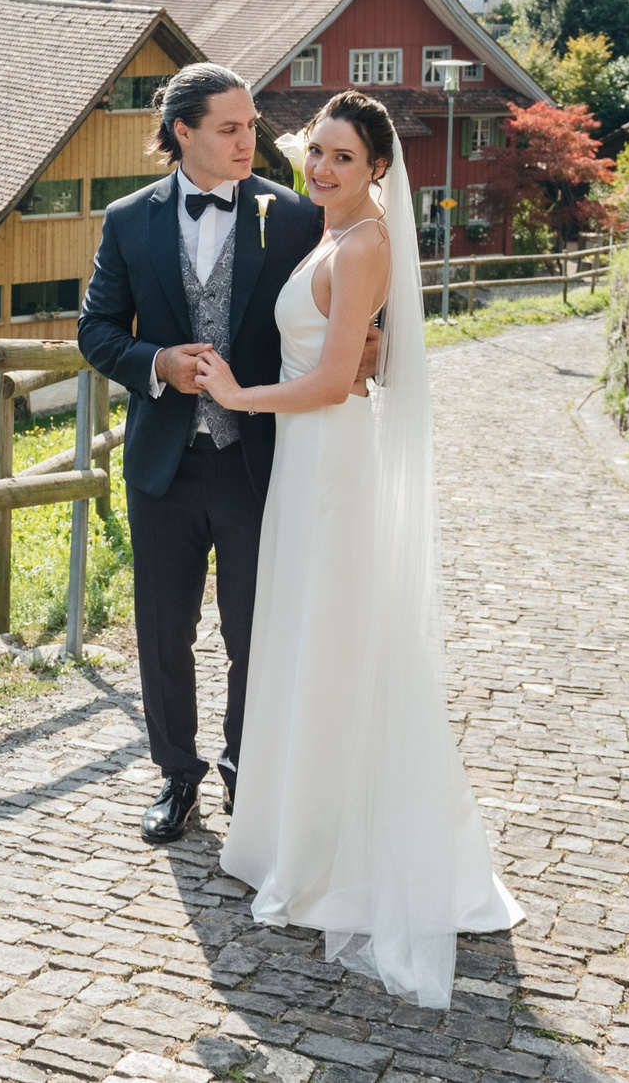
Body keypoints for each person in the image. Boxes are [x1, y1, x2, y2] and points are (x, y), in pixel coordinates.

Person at [195, 89, 521, 1009]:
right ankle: (293, 831)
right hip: (307, 466)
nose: (322, 167)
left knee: (335, 641)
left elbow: (336, 380)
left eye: (343, 156)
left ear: (380, 167)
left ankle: (330, 849)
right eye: (318, 150)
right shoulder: (332, 232)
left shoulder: (365, 243)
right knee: (310, 639)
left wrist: (239, 394)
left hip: (331, 463)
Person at [76, 63, 376, 845]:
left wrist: (370, 346)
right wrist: (155, 363)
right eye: (230, 128)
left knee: (256, 632)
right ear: (184, 132)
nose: (251, 141)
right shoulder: (128, 220)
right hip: (163, 466)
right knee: (161, 632)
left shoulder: (295, 215)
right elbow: (95, 331)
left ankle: (248, 765)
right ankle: (178, 774)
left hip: (260, 462)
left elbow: (351, 290)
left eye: (252, 125)